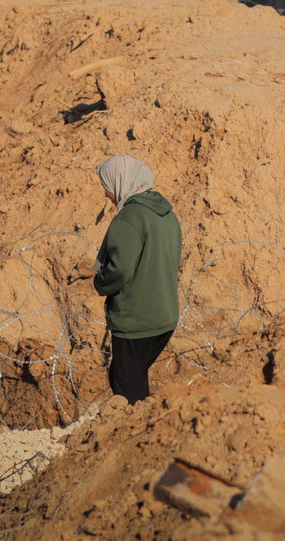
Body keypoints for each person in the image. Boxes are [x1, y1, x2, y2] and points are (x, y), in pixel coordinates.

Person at [93, 154, 183, 404]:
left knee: (127, 392)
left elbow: (120, 270)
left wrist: (99, 283)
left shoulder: (130, 216)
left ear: (121, 182)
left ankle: (137, 428)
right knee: (133, 381)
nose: (107, 195)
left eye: (107, 186)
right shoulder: (165, 213)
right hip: (164, 316)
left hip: (137, 320)